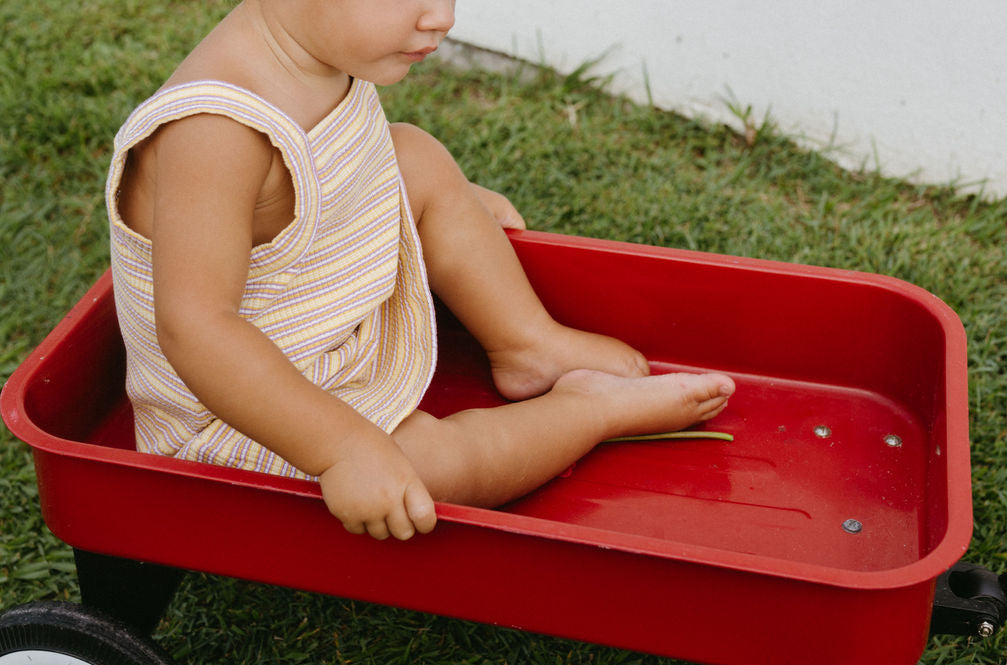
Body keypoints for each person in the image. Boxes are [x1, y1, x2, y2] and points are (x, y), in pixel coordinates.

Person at [107, 0, 735, 542]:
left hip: (322, 316)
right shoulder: (215, 130)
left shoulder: (315, 52)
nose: (443, 17)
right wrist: (342, 448)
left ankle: (528, 343)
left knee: (413, 154)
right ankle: (587, 410)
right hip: (240, 411)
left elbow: (331, 177)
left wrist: (439, 201)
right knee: (425, 468)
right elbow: (198, 329)